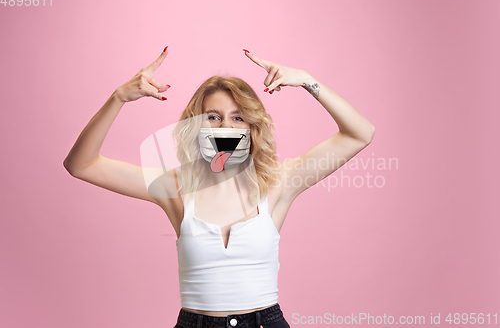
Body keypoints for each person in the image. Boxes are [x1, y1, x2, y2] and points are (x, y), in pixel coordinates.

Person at [63, 46, 376, 328]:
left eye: (238, 118)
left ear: (253, 128)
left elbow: (359, 134)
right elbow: (81, 165)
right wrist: (119, 97)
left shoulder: (279, 183)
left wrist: (307, 81)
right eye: (213, 117)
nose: (226, 127)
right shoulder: (175, 187)